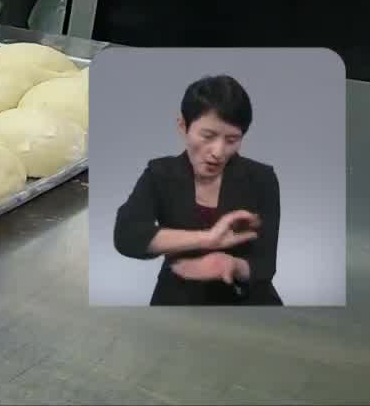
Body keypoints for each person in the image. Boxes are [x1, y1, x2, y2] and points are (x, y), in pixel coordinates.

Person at [113, 74, 282, 305]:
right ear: (183, 126)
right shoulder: (160, 173)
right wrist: (208, 239)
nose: (218, 151)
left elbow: (265, 265)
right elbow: (127, 235)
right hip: (177, 299)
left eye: (232, 140)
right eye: (208, 136)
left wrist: (232, 265)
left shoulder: (262, 178)